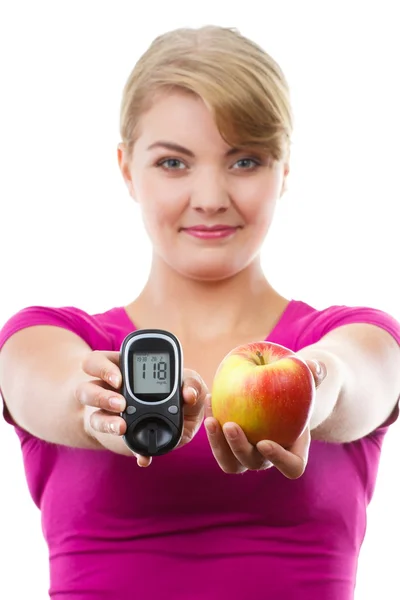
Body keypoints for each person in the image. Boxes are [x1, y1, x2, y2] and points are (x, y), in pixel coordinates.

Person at [0, 24, 399, 600]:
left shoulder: (352, 335)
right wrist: (98, 410)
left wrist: (315, 388)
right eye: (173, 163)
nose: (210, 196)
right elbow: (47, 382)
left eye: (245, 161)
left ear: (284, 170)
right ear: (124, 168)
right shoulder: (53, 337)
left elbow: (360, 376)